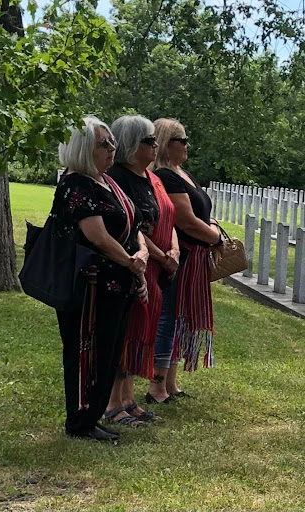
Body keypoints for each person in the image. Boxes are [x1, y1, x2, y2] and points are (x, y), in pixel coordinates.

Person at [52, 116, 148, 441]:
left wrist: (141, 257)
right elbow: (97, 236)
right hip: (88, 286)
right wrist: (132, 263)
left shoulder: (106, 181)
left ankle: (93, 417)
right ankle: (80, 423)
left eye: (111, 142)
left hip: (115, 284)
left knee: (107, 351)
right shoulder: (76, 183)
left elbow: (132, 225)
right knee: (86, 351)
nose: (112, 148)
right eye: (103, 143)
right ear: (82, 148)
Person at [105, 115, 179, 425]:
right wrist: (162, 256)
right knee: (125, 335)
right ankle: (112, 404)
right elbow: (133, 225)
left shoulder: (151, 177)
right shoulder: (118, 178)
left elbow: (167, 216)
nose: (156, 146)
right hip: (135, 264)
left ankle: (129, 399)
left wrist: (173, 250)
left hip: (156, 267)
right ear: (132, 146)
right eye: (150, 141)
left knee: (141, 334)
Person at [146, 118, 224, 403]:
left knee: (181, 319)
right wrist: (215, 239)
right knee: (169, 317)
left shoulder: (183, 173)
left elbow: (200, 213)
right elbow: (186, 221)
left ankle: (171, 382)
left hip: (195, 258)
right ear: (168, 144)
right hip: (179, 255)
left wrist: (213, 225)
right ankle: (156, 385)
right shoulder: (166, 177)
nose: (188, 144)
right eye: (183, 139)